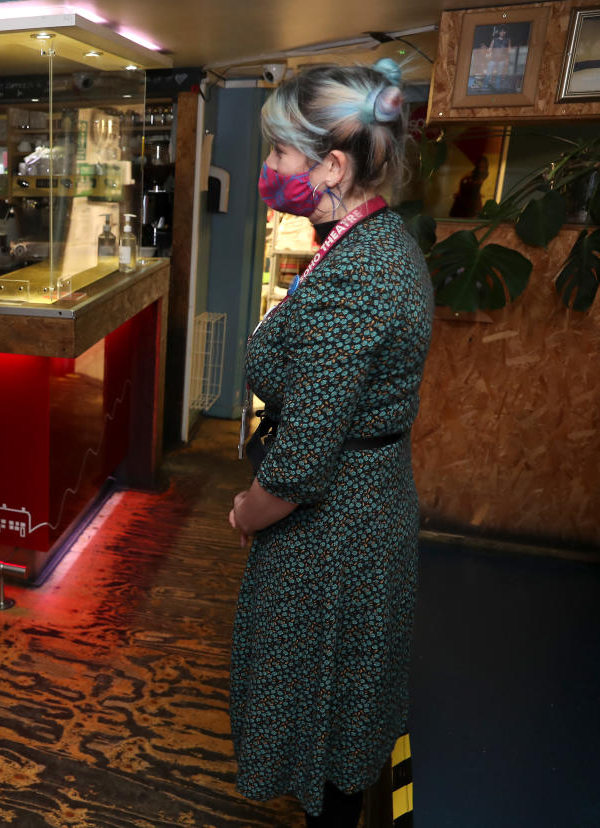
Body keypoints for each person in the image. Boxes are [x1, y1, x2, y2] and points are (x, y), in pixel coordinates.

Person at [228, 58, 433, 828]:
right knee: (345, 704)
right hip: (365, 512)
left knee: (327, 710)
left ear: (333, 167)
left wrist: (249, 511)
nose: (270, 169)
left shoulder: (358, 275)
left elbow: (308, 454)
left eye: (280, 153)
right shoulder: (370, 241)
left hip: (334, 532)